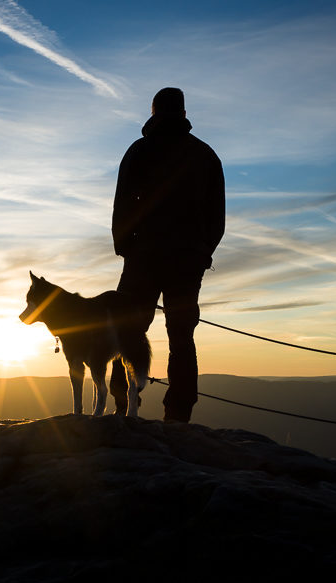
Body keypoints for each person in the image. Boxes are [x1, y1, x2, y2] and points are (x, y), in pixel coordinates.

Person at [109, 87, 225, 423]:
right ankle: (178, 414)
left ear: (154, 112)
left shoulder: (139, 151)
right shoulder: (205, 155)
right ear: (184, 113)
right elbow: (216, 213)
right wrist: (203, 251)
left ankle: (121, 406)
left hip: (142, 256)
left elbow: (122, 205)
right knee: (182, 336)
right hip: (187, 261)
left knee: (126, 329)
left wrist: (125, 246)